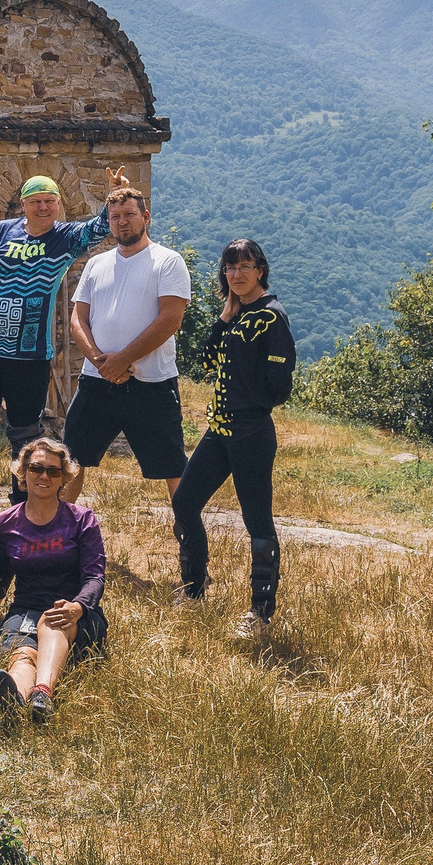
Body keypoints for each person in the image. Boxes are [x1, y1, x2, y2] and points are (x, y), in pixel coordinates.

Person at [0, 169, 130, 526]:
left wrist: (114, 195)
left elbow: (100, 228)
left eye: (49, 201)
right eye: (36, 201)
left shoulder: (64, 237)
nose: (43, 207)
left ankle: (21, 509)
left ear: (59, 204)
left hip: (29, 356)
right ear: (23, 204)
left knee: (24, 434)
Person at [171, 239, 296, 639]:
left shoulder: (271, 316)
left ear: (260, 270)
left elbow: (280, 384)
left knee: (256, 521)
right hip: (219, 431)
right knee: (184, 502)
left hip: (251, 433)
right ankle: (195, 589)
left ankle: (260, 614)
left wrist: (250, 405)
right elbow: (207, 361)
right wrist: (225, 316)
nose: (236, 274)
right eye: (230, 268)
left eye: (244, 267)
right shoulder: (238, 314)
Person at [61, 183, 192, 502]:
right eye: (115, 217)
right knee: (71, 461)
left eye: (129, 215)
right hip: (96, 380)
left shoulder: (168, 261)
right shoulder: (96, 263)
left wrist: (122, 360)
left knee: (173, 466)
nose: (122, 222)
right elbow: (78, 319)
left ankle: (188, 532)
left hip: (151, 382)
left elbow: (170, 319)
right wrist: (100, 362)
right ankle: (57, 528)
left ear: (146, 217)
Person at [0, 438, 108, 723]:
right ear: (23, 473)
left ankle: (42, 693)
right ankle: (15, 695)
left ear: (63, 478)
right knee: (22, 654)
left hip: (76, 613)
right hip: (24, 610)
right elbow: (1, 571)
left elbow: (94, 576)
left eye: (53, 471)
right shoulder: (5, 523)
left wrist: (78, 607)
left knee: (52, 621)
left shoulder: (82, 519)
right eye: (36, 468)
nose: (44, 476)